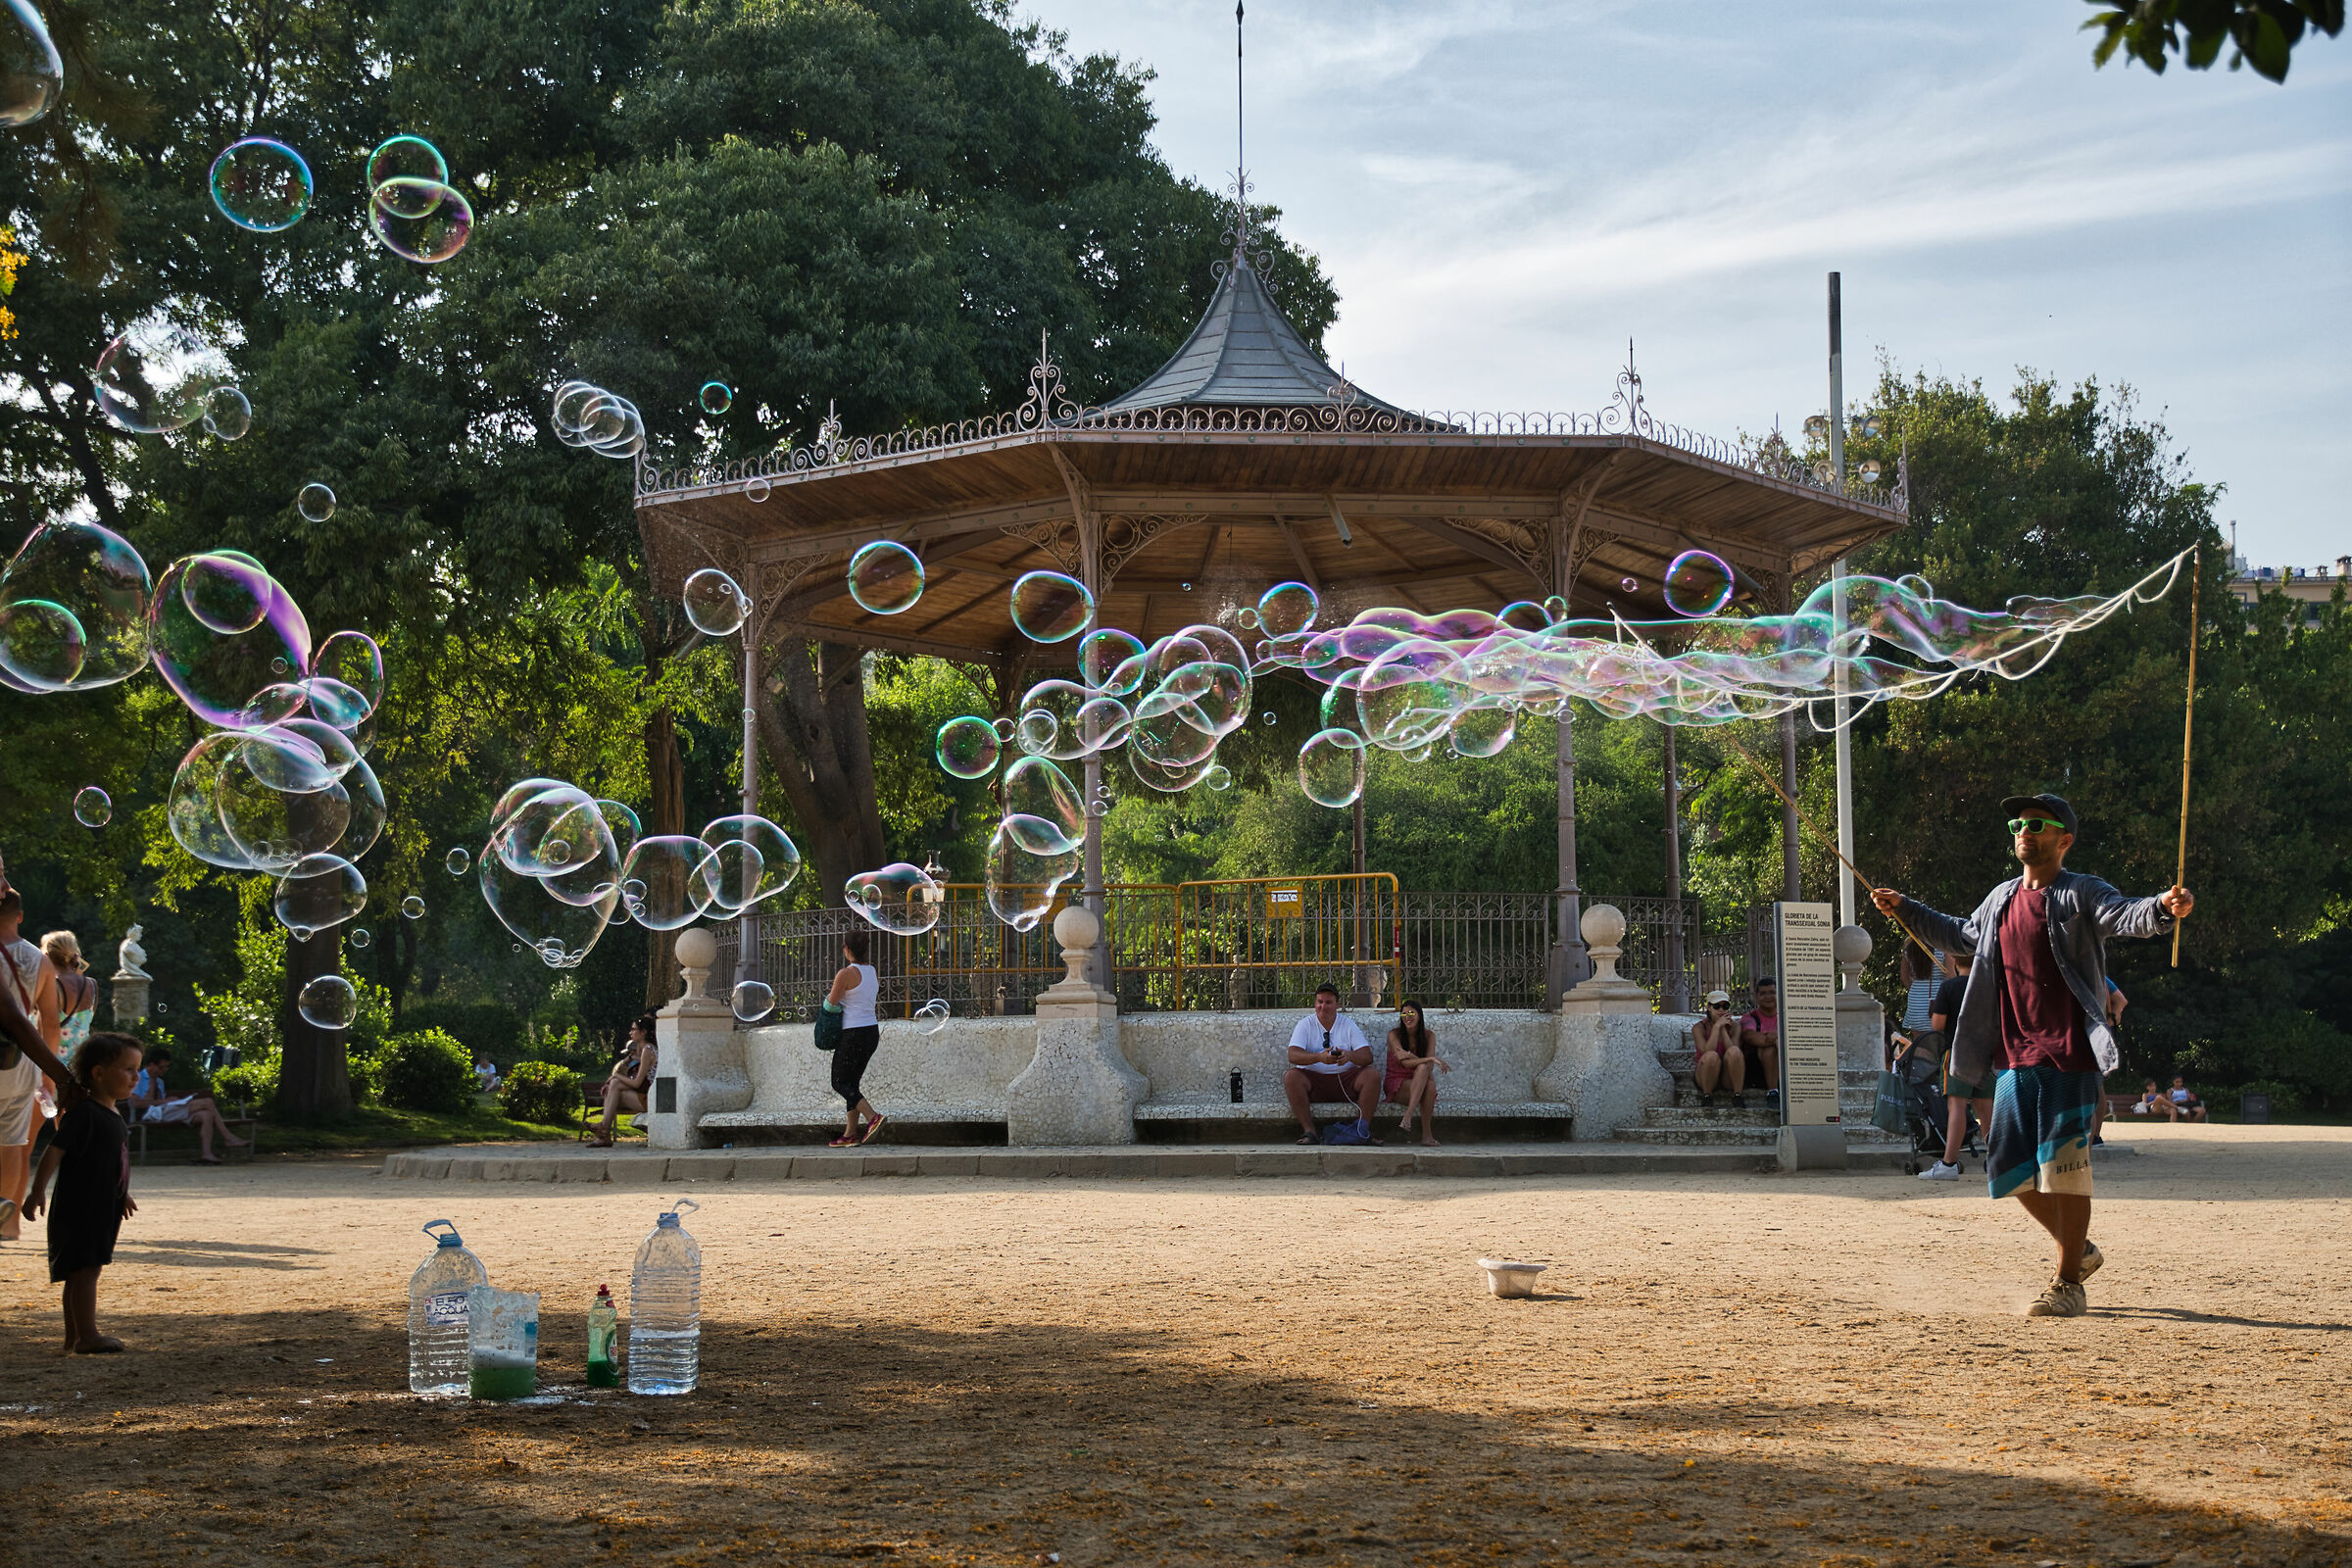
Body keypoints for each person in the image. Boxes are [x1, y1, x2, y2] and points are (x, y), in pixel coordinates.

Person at [1873, 792, 2191, 1317]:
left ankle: (2067, 1284)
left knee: (2064, 1170)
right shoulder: (2000, 898)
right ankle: (2079, 1251)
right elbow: (1959, 933)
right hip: (2013, 1057)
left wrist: (2161, 908)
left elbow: (2126, 914)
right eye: (2018, 824)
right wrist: (1905, 907)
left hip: (2070, 1055)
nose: (2023, 830)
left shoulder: (2082, 891)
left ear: (2064, 840)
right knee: (2006, 1171)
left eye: (2036, 824)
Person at [24, 1032, 141, 1352]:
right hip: (82, 1208)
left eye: (137, 1069)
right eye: (128, 1069)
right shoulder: (85, 1114)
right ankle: (87, 1336)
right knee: (85, 1270)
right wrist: (37, 1191)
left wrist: (122, 1192)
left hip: (101, 1205)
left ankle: (74, 1336)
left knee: (81, 1271)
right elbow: (54, 1150)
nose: (136, 1077)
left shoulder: (112, 1114)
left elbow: (111, 1162)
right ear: (98, 1072)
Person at [1, 887, 60, 1242]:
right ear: (20, 916)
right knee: (12, 1143)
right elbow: (50, 1023)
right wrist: (48, 1075)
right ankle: (4, 1220)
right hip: (20, 1060)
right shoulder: (40, 961)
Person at [1918, 956, 1989, 1181]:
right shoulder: (1987, 985)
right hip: (1984, 1051)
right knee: (1985, 1106)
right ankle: (1996, 1158)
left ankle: (1949, 1162)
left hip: (1957, 1050)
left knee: (1956, 1104)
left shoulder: (1949, 986)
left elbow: (1937, 1024)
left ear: (1956, 963)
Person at [1283, 983, 1380, 1144]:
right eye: (1320, 1002)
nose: (1323, 1006)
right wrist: (1319, 1057)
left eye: (1328, 1002)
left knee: (1372, 1076)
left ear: (1337, 1005)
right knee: (1291, 1077)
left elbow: (1367, 1056)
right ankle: (1309, 1132)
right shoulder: (1305, 1024)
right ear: (1315, 1003)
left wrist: (1349, 1056)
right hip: (1314, 1083)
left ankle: (1361, 1130)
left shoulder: (1348, 1024)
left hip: (1346, 1081)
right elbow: (1292, 1055)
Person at [129, 1047, 249, 1164]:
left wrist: (169, 1101)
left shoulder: (159, 1082)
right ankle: (228, 1138)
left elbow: (160, 1102)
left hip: (163, 1113)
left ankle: (207, 1154)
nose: (164, 1070)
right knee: (208, 1102)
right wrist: (164, 1101)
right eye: (161, 1067)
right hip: (150, 1115)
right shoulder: (138, 1079)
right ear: (151, 1065)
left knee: (207, 1115)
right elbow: (136, 1103)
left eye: (166, 1067)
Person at [826, 930, 886, 1148]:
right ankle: (850, 1133)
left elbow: (831, 1003)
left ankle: (872, 1117)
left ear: (847, 949)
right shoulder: (872, 971)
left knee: (839, 1082)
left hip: (853, 1033)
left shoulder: (845, 974)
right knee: (852, 1083)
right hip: (871, 1032)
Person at [1382, 1000, 1450, 1146]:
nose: (1407, 1017)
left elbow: (1429, 1068)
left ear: (1419, 1015)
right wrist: (1430, 1058)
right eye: (1404, 1014)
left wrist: (1411, 1055)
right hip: (1397, 1084)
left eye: (1411, 1013)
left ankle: (1426, 1135)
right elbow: (1405, 1063)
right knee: (1424, 1070)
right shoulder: (1394, 1035)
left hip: (1420, 1082)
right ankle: (1409, 1115)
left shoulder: (1429, 1036)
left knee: (1428, 1081)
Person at [589, 1015, 657, 1147]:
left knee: (613, 1086)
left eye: (634, 1029)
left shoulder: (648, 1050)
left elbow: (637, 1083)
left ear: (643, 1032)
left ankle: (604, 1131)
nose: (630, 1032)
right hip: (643, 1094)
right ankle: (604, 1131)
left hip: (651, 1099)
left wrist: (616, 1076)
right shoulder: (645, 1050)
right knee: (612, 1087)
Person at [1690, 989, 1745, 1107]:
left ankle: (1738, 1095)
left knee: (1735, 1051)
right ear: (1709, 1008)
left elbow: (1734, 1051)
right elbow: (1706, 1051)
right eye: (1717, 1006)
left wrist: (1722, 1029)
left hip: (1727, 1075)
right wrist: (1716, 1027)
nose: (1721, 1010)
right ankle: (1707, 1096)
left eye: (1725, 1006)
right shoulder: (1698, 1027)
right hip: (1705, 1074)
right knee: (1711, 1056)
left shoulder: (1735, 1027)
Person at [1738, 978, 1782, 1108]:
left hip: (1782, 1067)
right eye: (1763, 993)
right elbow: (1751, 1037)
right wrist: (1780, 1037)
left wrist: (1777, 1036)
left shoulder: (1786, 1017)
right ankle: (1773, 1092)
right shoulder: (1749, 1018)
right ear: (1756, 996)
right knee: (1768, 1049)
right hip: (1755, 1071)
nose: (1768, 997)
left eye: (1772, 992)